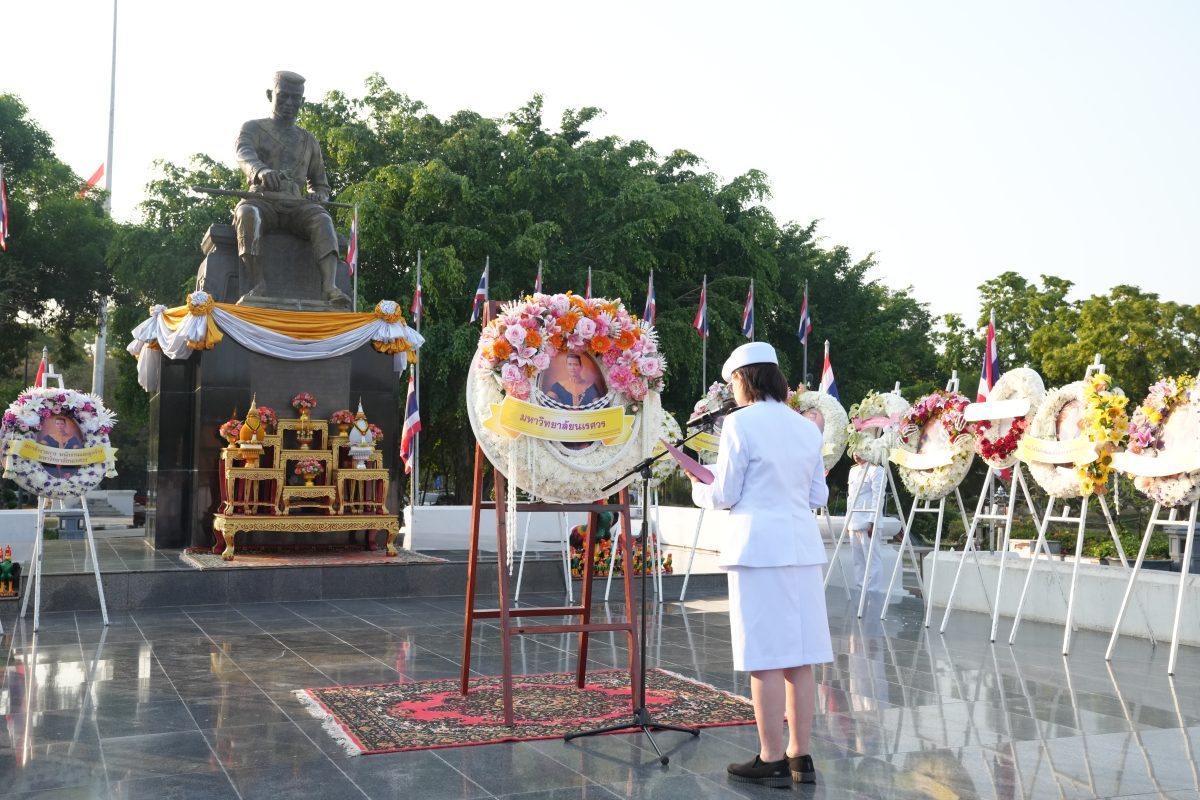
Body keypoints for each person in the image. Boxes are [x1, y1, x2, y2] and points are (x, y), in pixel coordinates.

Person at [686, 341, 831, 787]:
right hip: (802, 549)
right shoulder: (806, 427)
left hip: (758, 550)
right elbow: (818, 495)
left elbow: (726, 492)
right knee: (801, 657)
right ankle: (800, 757)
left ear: (742, 379)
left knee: (765, 657)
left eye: (734, 382)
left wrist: (697, 485)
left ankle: (770, 757)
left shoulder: (739, 422)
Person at [232, 70, 351, 309]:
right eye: (283, 96)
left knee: (323, 220)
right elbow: (243, 153)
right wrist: (261, 171)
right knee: (247, 214)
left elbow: (320, 184)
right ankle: (258, 283)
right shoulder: (253, 128)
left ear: (302, 101)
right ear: (270, 95)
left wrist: (319, 195)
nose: (289, 103)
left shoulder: (309, 140)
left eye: (295, 98)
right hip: (262, 199)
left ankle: (329, 287)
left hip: (297, 205)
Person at [847, 452, 886, 593]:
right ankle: (860, 590)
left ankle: (873, 592)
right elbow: (850, 498)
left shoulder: (877, 470)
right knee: (858, 561)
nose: (856, 454)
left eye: (860, 450)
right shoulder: (853, 470)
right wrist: (847, 522)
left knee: (872, 560)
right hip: (854, 521)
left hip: (868, 522)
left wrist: (873, 521)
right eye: (854, 451)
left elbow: (878, 497)